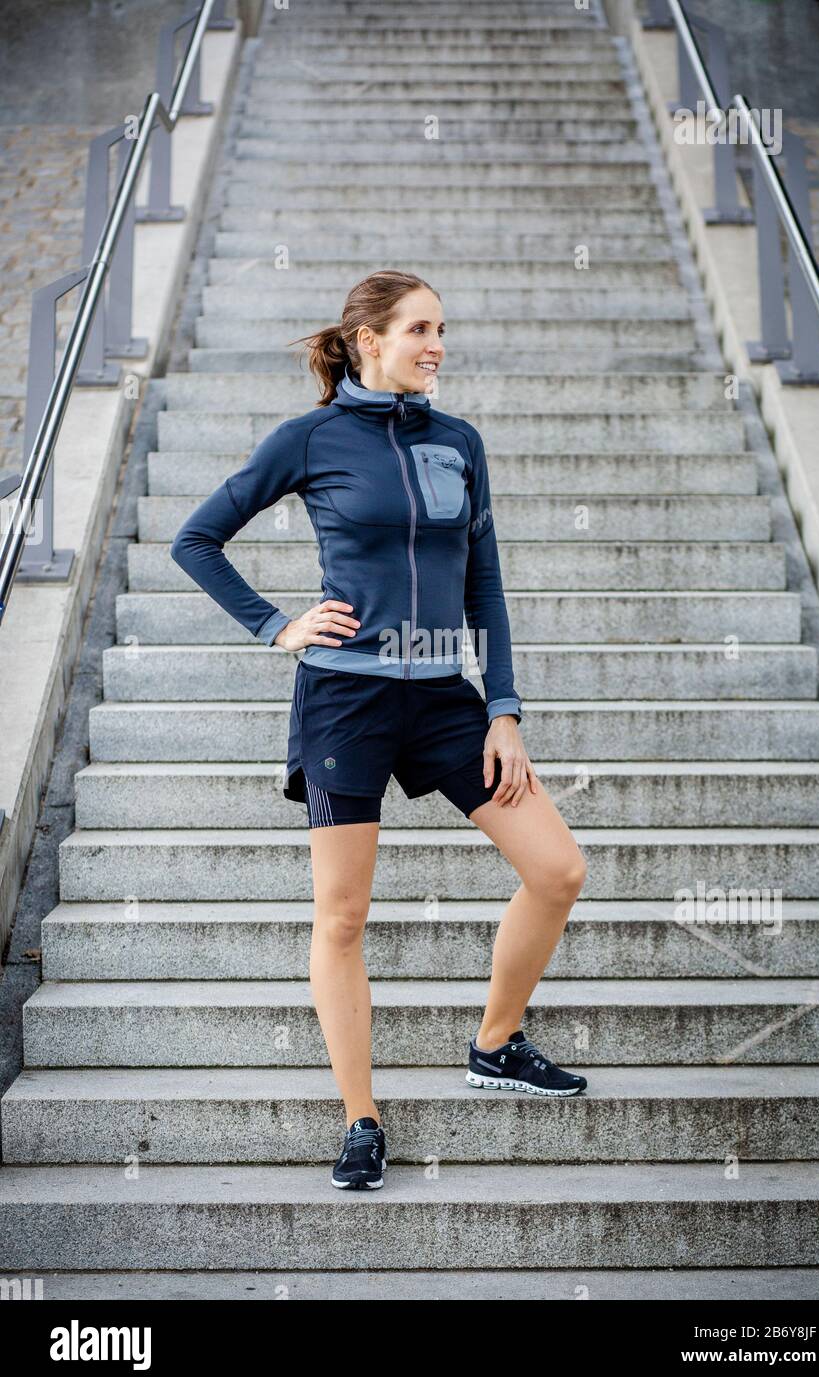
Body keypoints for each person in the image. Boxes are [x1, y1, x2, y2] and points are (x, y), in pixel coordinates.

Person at [170, 270, 588, 1191]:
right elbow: (196, 538)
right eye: (420, 330)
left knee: (557, 868)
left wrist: (504, 710)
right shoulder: (311, 439)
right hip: (345, 702)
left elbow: (485, 583)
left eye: (442, 329)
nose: (436, 345)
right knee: (344, 916)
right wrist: (276, 624)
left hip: (445, 699)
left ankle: (496, 1042)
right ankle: (361, 1119)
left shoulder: (458, 442)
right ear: (368, 340)